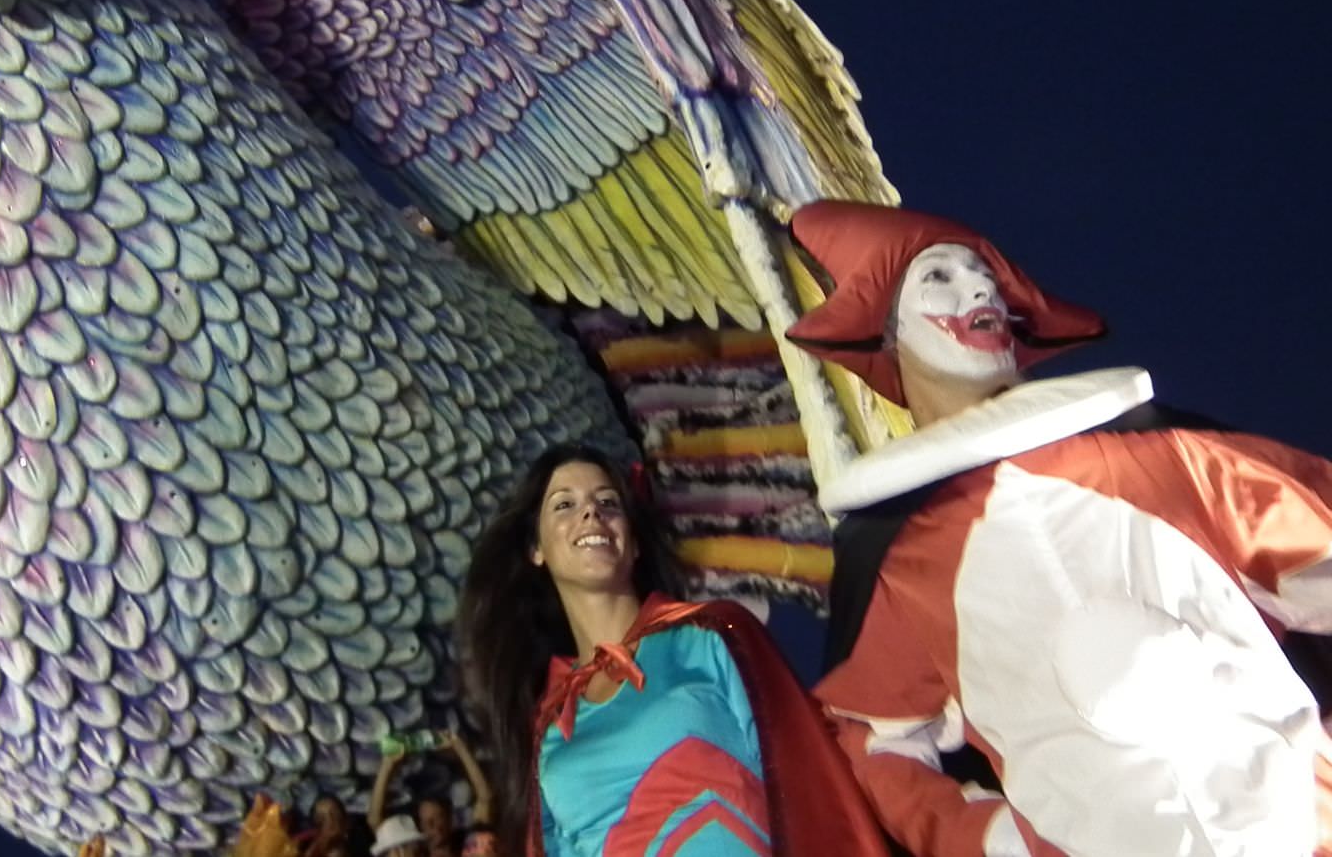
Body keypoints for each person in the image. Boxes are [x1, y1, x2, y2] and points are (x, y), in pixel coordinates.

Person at [789, 199, 1332, 856]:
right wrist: (989, 840)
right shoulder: (900, 556)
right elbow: (874, 741)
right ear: (883, 334)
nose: (981, 286)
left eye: (983, 273)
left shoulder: (1170, 458)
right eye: (940, 277)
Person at [457, 442, 886, 857]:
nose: (591, 512)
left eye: (609, 502)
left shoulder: (711, 636)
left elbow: (811, 785)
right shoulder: (550, 726)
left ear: (635, 542)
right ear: (536, 549)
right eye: (564, 505)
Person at [367, 731, 494, 855]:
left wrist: (460, 749)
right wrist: (388, 764)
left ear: (450, 820)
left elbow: (485, 800)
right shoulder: (413, 853)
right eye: (429, 822)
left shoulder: (468, 847)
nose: (435, 827)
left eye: (440, 818)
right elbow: (375, 821)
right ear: (420, 827)